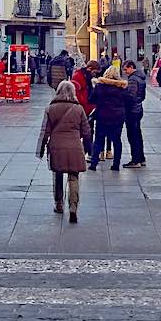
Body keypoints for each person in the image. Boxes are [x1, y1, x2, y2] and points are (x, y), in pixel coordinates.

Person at [38, 80, 91, 223]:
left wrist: (41, 149)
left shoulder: (51, 108)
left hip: (56, 146)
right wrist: (88, 148)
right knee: (74, 177)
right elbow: (87, 131)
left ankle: (58, 204)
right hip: (74, 146)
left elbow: (45, 131)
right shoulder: (79, 109)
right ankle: (73, 208)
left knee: (58, 175)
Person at [88, 65, 128, 171]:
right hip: (117, 117)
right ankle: (116, 165)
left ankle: (93, 163)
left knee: (98, 140)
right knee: (117, 141)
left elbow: (91, 100)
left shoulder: (100, 86)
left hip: (102, 115)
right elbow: (127, 101)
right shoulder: (122, 88)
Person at [121, 59, 148, 168]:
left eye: (126, 69)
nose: (124, 72)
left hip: (132, 110)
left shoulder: (132, 80)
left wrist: (123, 96)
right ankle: (141, 158)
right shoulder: (140, 78)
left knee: (132, 136)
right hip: (138, 108)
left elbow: (130, 96)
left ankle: (135, 160)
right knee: (138, 135)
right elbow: (142, 96)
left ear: (131, 67)